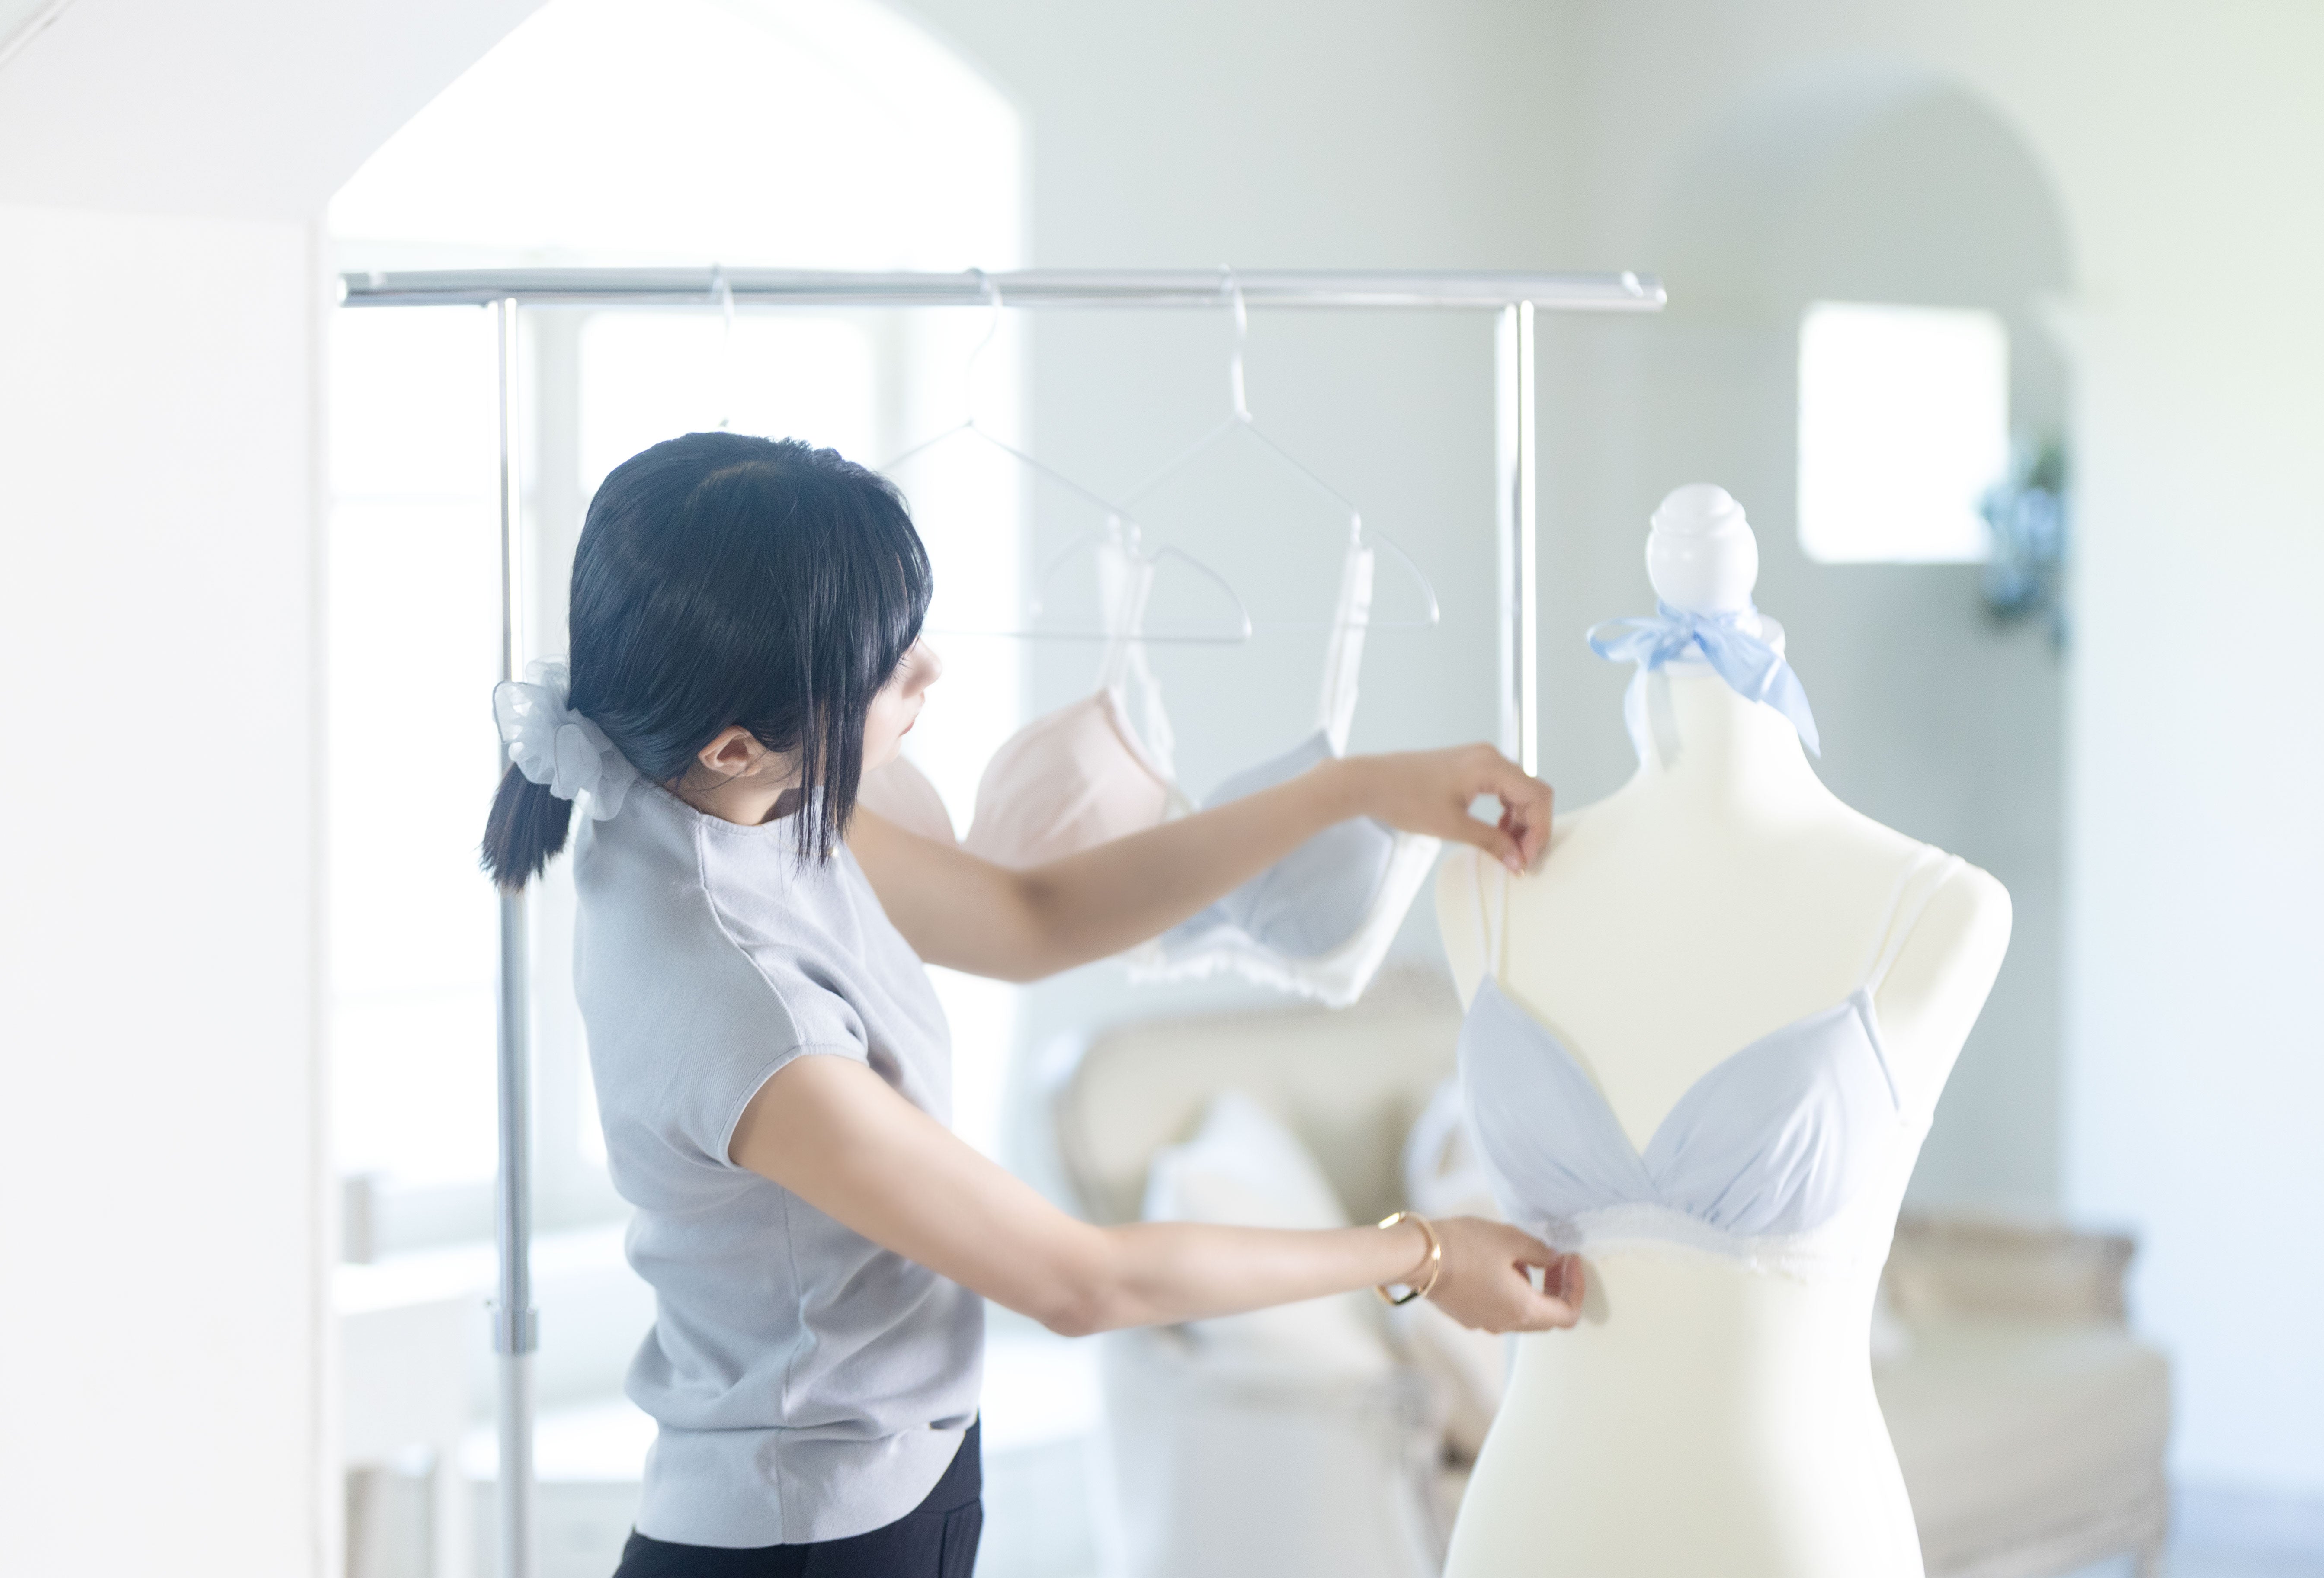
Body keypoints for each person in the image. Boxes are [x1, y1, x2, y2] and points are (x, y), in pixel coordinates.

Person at [480, 432, 1582, 1578]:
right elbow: (1083, 1282)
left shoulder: (714, 792)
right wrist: (1423, 1254)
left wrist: (1350, 792)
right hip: (812, 1534)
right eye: (886, 667)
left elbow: (1029, 919)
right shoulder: (742, 1006)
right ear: (737, 743)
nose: (929, 671)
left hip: (859, 1490)